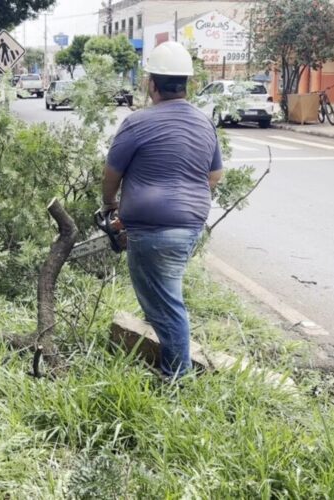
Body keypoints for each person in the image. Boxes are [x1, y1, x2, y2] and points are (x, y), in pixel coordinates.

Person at [101, 41, 223, 380]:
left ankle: (176, 378)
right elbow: (214, 176)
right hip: (189, 226)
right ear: (187, 84)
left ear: (151, 83)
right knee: (162, 296)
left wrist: (110, 205)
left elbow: (112, 174)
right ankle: (164, 356)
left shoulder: (137, 122)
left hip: (152, 231)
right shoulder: (204, 123)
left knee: (167, 306)